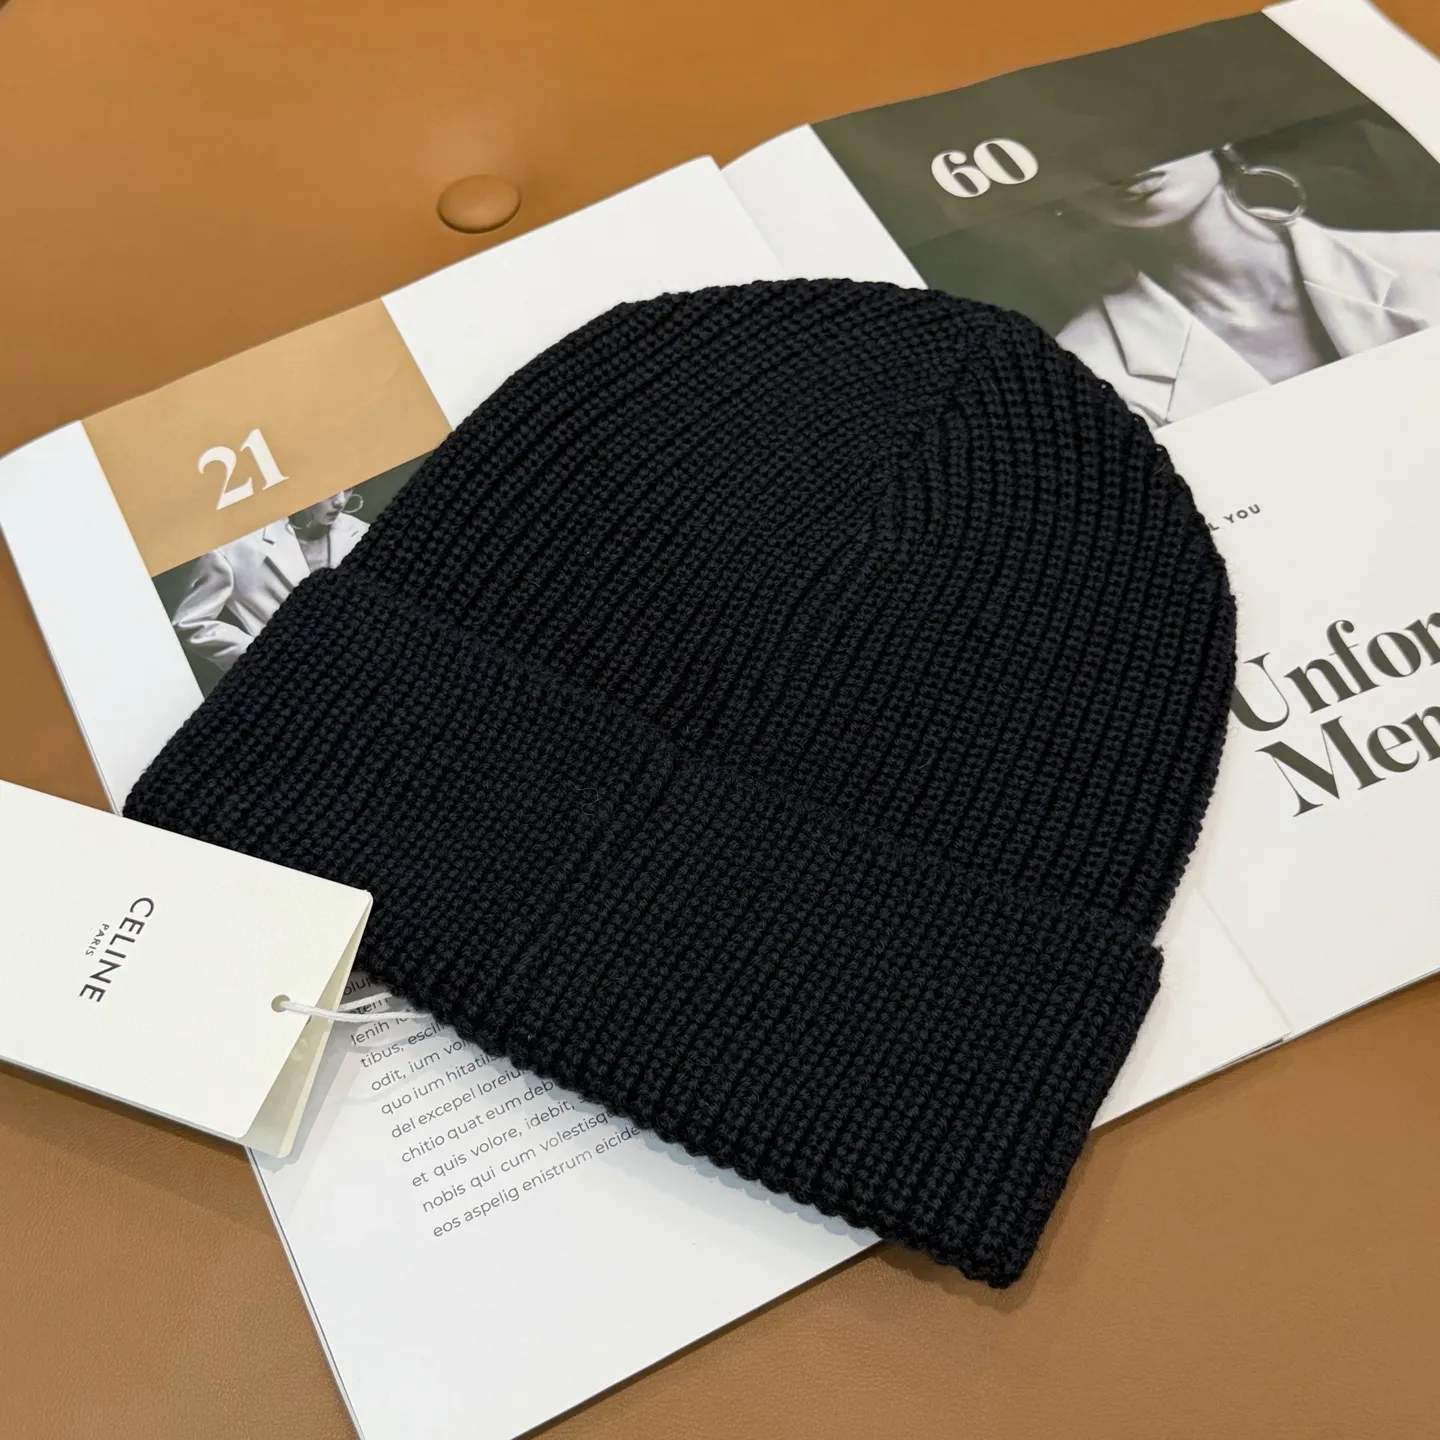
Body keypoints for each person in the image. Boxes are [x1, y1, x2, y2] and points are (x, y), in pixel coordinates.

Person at [1055, 146, 1440, 426]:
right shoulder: (1085, 373)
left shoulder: (1426, 262)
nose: (1118, 164)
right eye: (1070, 148)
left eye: (1138, 128)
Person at [171, 489, 368, 674]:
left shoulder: (362, 532)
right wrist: (263, 656)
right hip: (295, 680)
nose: (340, 501)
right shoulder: (236, 548)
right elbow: (189, 622)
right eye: (330, 490)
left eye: (348, 489)